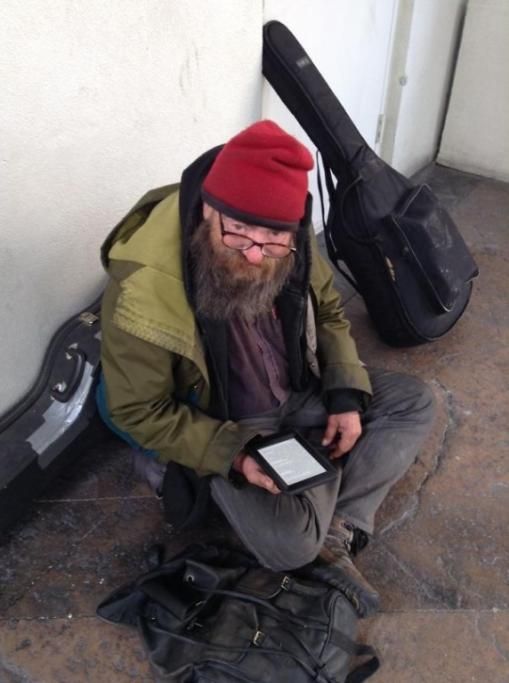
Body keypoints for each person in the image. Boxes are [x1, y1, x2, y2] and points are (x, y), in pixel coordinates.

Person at [97, 120, 435, 616]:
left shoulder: (292, 240)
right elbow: (138, 410)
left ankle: (335, 527)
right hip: (226, 417)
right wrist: (234, 455)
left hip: (297, 385)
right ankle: (302, 505)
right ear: (208, 209)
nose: (255, 254)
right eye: (237, 234)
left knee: (414, 402)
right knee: (290, 546)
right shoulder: (143, 287)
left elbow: (329, 310)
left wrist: (344, 394)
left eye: (273, 239)